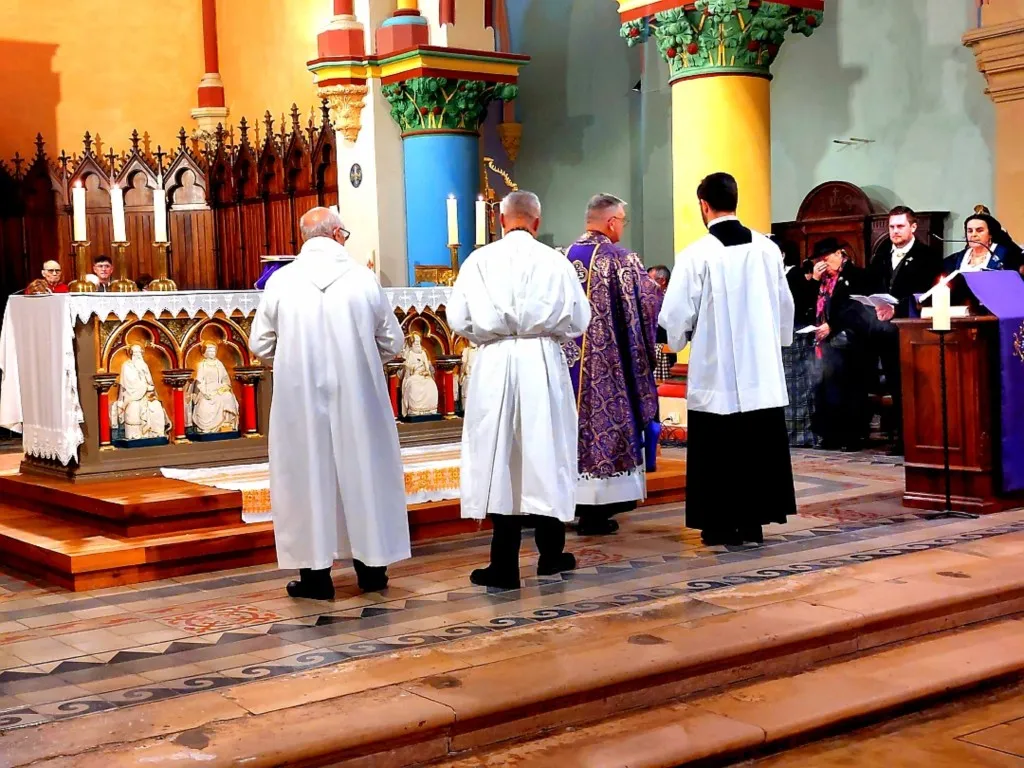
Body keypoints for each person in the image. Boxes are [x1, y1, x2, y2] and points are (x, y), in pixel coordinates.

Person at [249, 206, 410, 599]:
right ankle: (372, 572)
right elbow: (393, 342)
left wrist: (292, 360)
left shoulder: (282, 281)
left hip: (298, 396)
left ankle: (315, 578)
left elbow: (259, 344)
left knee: (305, 476)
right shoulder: (362, 279)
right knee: (364, 472)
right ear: (338, 234)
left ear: (306, 237)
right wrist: (359, 358)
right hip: (358, 394)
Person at [447, 190, 591, 590]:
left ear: (499, 221)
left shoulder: (479, 261)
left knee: (500, 455)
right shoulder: (555, 261)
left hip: (495, 361)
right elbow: (580, 317)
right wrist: (547, 333)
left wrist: (487, 335)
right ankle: (551, 555)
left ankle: (504, 564)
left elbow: (457, 317)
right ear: (537, 223)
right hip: (542, 360)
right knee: (545, 452)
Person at [659, 172, 796, 546]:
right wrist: (777, 342)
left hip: (716, 370)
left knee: (718, 451)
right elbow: (785, 303)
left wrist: (675, 338)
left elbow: (676, 315)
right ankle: (753, 523)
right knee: (756, 446)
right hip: (760, 370)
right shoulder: (767, 250)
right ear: (736, 200)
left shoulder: (696, 254)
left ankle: (719, 524)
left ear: (704, 205)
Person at [566, 194, 663, 536]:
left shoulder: (562, 256)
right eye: (622, 219)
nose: (622, 225)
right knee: (606, 427)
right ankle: (597, 513)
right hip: (609, 368)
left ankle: (570, 504)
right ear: (610, 222)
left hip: (567, 369)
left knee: (570, 431)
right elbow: (647, 304)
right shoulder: (620, 258)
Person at [864, 206, 942, 454]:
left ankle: (915, 437)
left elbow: (928, 295)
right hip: (885, 333)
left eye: (900, 226)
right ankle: (896, 434)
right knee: (894, 384)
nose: (895, 232)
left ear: (913, 227)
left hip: (914, 332)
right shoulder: (881, 256)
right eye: (891, 227)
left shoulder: (927, 257)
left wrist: (896, 310)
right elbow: (871, 285)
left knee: (912, 386)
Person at [808, 238, 873, 451]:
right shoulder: (822, 279)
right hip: (824, 341)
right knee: (826, 387)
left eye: (826, 258)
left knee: (849, 389)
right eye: (819, 260)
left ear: (839, 254)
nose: (823, 263)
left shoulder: (857, 276)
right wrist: (813, 280)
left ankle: (852, 436)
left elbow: (857, 309)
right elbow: (808, 302)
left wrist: (833, 325)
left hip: (849, 340)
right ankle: (829, 434)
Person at [110, 345, 171, 441]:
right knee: (133, 408)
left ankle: (154, 433)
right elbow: (127, 384)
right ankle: (135, 435)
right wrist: (143, 387)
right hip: (131, 396)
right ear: (131, 353)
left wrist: (149, 389)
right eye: (135, 352)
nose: (138, 355)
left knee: (156, 407)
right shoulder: (126, 366)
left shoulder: (144, 365)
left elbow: (150, 382)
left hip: (146, 395)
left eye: (139, 353)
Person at [187, 344, 240, 434]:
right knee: (205, 404)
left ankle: (226, 424)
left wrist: (224, 387)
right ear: (204, 353)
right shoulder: (202, 365)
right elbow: (199, 382)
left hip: (219, 389)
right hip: (206, 390)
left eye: (214, 351)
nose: (212, 353)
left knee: (228, 396)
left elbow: (225, 379)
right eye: (209, 351)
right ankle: (206, 428)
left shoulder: (219, 364)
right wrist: (205, 392)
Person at [943, 212, 1014, 274]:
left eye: (979, 230)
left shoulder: (1006, 255)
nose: (973, 235)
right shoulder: (954, 259)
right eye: (970, 231)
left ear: (990, 234)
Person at [648, 265, 676, 380]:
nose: (647, 284)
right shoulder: (650, 297)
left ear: (662, 280)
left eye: (650, 280)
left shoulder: (671, 298)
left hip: (667, 347)